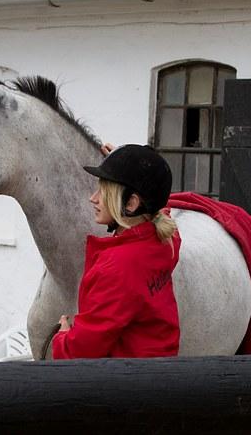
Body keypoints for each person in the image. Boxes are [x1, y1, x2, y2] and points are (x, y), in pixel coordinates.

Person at [51, 144, 181, 359]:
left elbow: (81, 351)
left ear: (130, 203)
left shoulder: (116, 267)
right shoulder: (165, 240)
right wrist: (128, 161)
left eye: (104, 192)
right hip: (159, 370)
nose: (93, 198)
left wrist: (62, 338)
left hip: (126, 382)